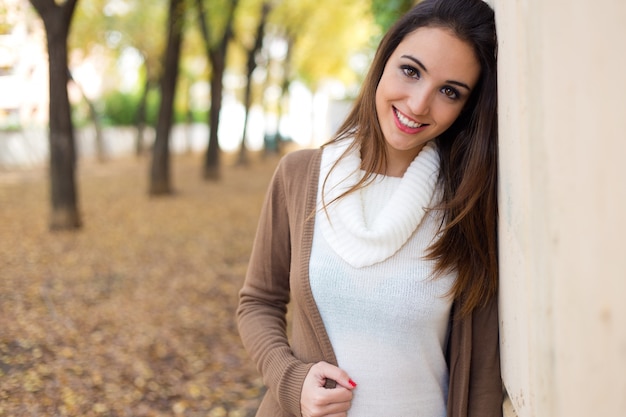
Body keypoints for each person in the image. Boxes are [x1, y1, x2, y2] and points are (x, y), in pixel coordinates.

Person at [237, 0, 502, 415]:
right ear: (383, 61)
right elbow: (258, 301)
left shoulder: (468, 205)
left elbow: (483, 369)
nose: (418, 104)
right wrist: (292, 379)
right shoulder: (300, 176)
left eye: (449, 91)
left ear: (468, 107)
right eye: (410, 71)